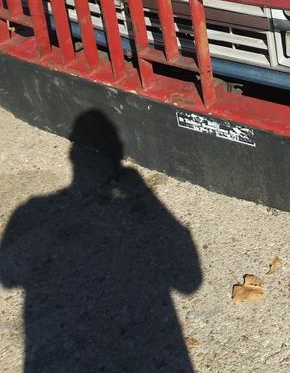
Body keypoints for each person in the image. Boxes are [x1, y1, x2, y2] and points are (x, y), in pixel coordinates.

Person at [0, 110, 202, 373]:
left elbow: (8, 277)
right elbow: (190, 281)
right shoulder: (34, 209)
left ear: (72, 157)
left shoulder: (30, 210)